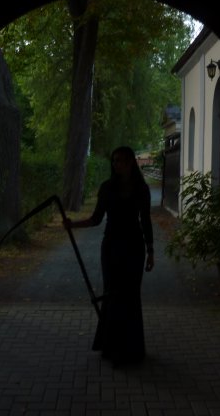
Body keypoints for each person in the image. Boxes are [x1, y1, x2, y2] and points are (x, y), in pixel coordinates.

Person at [63, 146, 154, 366]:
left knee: (130, 296)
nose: (117, 164)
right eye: (114, 160)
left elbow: (145, 221)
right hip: (112, 247)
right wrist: (73, 225)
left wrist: (151, 251)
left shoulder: (141, 188)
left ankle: (131, 348)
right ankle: (113, 348)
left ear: (131, 162)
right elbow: (96, 219)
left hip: (134, 247)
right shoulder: (107, 188)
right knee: (113, 295)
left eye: (121, 160)